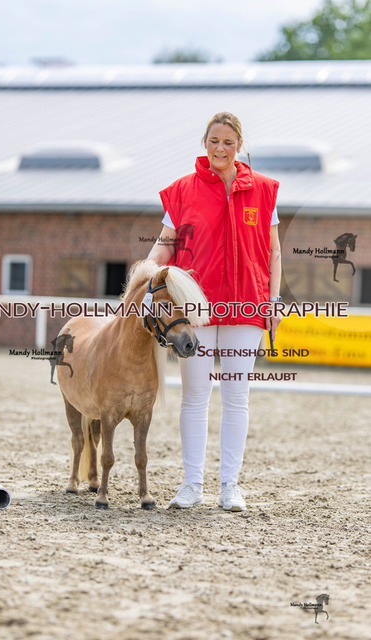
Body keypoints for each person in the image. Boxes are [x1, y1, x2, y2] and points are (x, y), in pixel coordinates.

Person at [148, 111, 282, 511]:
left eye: (227, 142)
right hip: (195, 308)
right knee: (195, 395)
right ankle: (192, 485)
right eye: (213, 141)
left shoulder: (264, 190)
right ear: (204, 143)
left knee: (236, 396)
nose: (220, 149)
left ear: (239, 145)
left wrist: (273, 301)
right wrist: (144, 277)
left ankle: (230, 487)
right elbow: (164, 246)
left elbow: (274, 252)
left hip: (248, 304)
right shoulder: (181, 191)